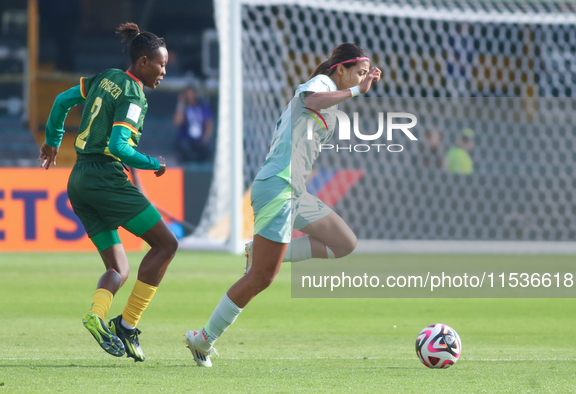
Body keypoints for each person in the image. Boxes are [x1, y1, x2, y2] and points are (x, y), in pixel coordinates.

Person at [184, 43, 381, 367]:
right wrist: (358, 91)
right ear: (340, 69)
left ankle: (256, 253)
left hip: (295, 191)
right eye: (359, 71)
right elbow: (310, 100)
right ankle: (202, 340)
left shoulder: (333, 103)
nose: (363, 78)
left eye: (365, 74)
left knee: (345, 243)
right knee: (261, 278)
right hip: (278, 186)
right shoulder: (322, 86)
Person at [38, 22, 178, 362]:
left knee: (119, 268)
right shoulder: (133, 95)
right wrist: (153, 163)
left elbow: (61, 101)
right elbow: (119, 145)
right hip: (105, 177)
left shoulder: (105, 77)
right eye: (160, 64)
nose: (163, 71)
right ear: (143, 61)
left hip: (79, 179)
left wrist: (53, 141)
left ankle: (96, 314)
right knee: (166, 244)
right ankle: (127, 326)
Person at [173, 86, 214, 163]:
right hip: (186, 141)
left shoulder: (202, 107)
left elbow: (209, 124)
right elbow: (177, 122)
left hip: (199, 143)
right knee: (183, 147)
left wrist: (205, 139)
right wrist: (181, 103)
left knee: (208, 151)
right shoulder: (184, 108)